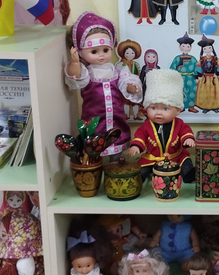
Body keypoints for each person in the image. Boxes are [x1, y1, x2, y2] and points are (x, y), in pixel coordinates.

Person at [64, 12, 142, 156]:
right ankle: (96, 164)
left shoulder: (117, 70)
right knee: (94, 145)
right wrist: (75, 63)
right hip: (94, 119)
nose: (101, 55)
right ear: (80, 52)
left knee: (116, 140)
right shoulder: (86, 72)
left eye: (105, 50)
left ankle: (116, 162)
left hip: (116, 119)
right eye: (94, 51)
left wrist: (130, 87)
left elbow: (125, 80)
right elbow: (75, 80)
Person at [128, 69, 196, 182]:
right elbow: (140, 136)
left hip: (176, 156)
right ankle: (139, 178)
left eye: (165, 109)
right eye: (153, 108)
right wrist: (136, 146)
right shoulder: (146, 125)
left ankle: (188, 174)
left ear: (177, 111)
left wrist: (188, 139)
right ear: (146, 108)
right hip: (152, 158)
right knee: (142, 168)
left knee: (186, 162)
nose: (158, 113)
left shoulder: (179, 124)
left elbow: (185, 131)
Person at [194, 35, 219, 113]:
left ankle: (215, 107)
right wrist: (198, 77)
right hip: (204, 78)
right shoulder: (201, 59)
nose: (207, 50)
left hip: (214, 79)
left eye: (209, 48)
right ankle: (205, 107)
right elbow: (198, 68)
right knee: (205, 93)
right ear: (203, 50)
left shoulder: (216, 59)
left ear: (212, 49)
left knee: (215, 93)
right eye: (205, 49)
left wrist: (217, 74)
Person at [170, 32, 198, 113]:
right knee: (180, 92)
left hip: (190, 78)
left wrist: (197, 77)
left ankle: (191, 106)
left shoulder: (193, 59)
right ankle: (181, 106)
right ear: (179, 47)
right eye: (183, 46)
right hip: (179, 78)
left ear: (191, 47)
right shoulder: (177, 58)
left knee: (192, 91)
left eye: (188, 46)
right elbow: (172, 68)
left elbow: (197, 68)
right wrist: (173, 78)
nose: (185, 48)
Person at [116, 39, 142, 120]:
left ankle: (135, 115)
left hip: (135, 85)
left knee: (135, 102)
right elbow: (117, 75)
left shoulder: (136, 64)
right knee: (126, 101)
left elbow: (138, 74)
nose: (130, 55)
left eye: (132, 53)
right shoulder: (120, 64)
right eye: (127, 53)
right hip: (124, 85)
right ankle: (126, 115)